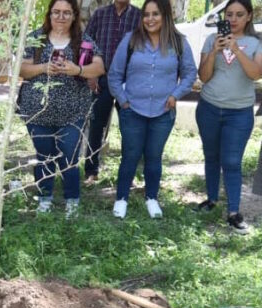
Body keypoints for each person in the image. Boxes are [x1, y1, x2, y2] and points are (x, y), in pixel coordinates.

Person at [108, 0, 196, 219]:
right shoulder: (130, 40)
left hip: (163, 113)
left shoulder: (179, 42)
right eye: (146, 14)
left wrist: (175, 95)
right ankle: (121, 199)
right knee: (130, 155)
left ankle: (152, 198)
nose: (150, 19)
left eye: (155, 14)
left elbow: (189, 73)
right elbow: (114, 75)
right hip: (132, 111)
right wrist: (123, 101)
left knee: (154, 157)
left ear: (165, 15)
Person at [18, 0, 105, 217]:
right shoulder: (35, 38)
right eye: (56, 12)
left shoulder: (83, 41)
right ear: (49, 14)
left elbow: (99, 67)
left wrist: (77, 69)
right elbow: (21, 69)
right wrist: (44, 67)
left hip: (73, 112)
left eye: (67, 13)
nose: (61, 17)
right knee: (44, 156)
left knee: (69, 158)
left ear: (74, 16)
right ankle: (44, 199)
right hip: (38, 112)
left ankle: (72, 202)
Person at [194, 0, 262, 234]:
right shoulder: (211, 40)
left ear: (248, 17)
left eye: (239, 14)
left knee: (231, 162)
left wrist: (235, 49)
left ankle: (234, 213)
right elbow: (203, 76)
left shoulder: (255, 43)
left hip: (239, 113)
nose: (233, 19)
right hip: (209, 108)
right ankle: (211, 199)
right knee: (211, 156)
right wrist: (214, 51)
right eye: (229, 14)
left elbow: (255, 73)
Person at [83, 0, 141, 184]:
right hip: (103, 79)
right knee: (96, 126)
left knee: (130, 129)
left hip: (129, 82)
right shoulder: (100, 14)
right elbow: (86, 45)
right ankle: (91, 171)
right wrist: (90, 74)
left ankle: (127, 175)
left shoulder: (139, 16)